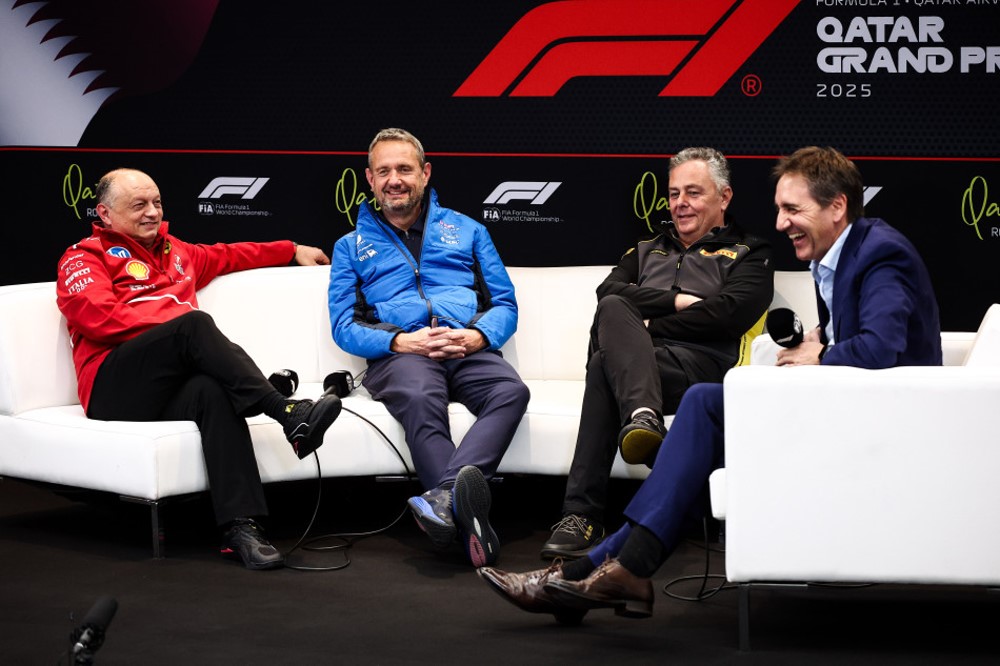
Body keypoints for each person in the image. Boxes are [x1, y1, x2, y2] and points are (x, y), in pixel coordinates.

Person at [477, 145, 942, 621]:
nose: (781, 223)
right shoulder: (840, 254)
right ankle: (604, 572)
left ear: (837, 206)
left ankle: (594, 571)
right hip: (845, 404)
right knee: (697, 410)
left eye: (792, 209)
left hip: (880, 423)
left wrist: (819, 351)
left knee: (697, 410)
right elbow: (610, 298)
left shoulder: (879, 254)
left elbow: (880, 349)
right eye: (779, 209)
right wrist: (820, 339)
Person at [56, 168, 343, 571]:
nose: (152, 212)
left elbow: (230, 254)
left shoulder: (177, 252)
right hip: (110, 385)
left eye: (157, 203)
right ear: (104, 213)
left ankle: (241, 528)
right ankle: (286, 412)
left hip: (164, 385)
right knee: (194, 324)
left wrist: (290, 248)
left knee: (212, 390)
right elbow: (99, 317)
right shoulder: (84, 256)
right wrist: (176, 323)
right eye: (139, 205)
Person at [540, 147, 774, 560]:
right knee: (612, 314)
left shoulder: (749, 253)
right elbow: (608, 293)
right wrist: (681, 301)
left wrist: (647, 323)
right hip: (638, 366)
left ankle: (582, 515)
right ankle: (643, 419)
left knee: (604, 364)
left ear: (724, 197)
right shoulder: (646, 249)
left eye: (693, 193)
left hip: (699, 369)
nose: (680, 203)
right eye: (673, 193)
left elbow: (727, 315)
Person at [327, 128, 530, 568]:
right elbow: (343, 326)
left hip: (466, 347)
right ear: (369, 178)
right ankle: (465, 523)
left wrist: (477, 336)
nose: (394, 179)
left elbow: (505, 304)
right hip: (401, 355)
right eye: (383, 171)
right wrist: (399, 340)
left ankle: (443, 496)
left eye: (404, 169)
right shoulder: (349, 247)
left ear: (425, 172)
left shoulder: (469, 230)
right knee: (421, 398)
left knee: (511, 391)